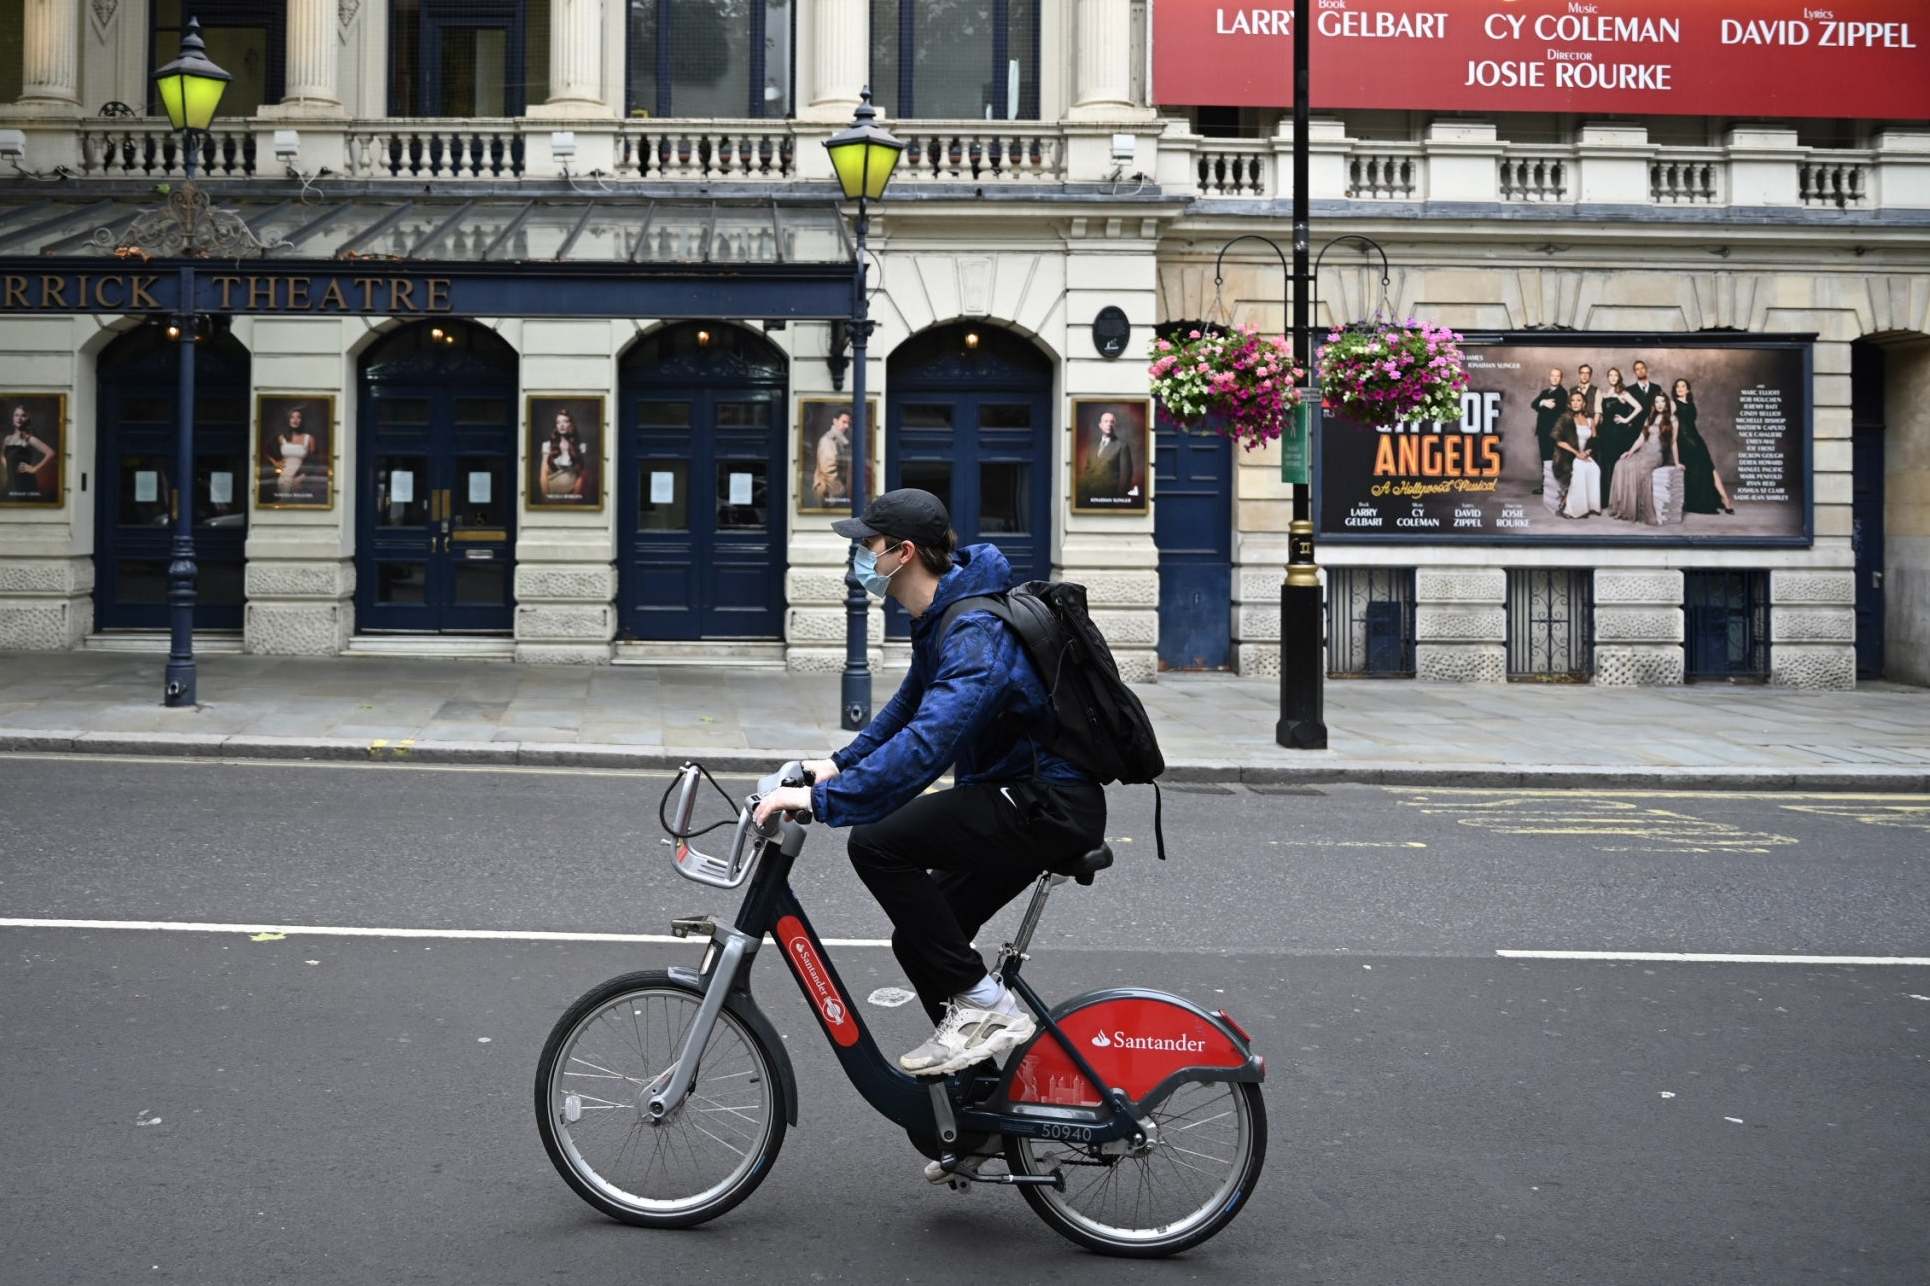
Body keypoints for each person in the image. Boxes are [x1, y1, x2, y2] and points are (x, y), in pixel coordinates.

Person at [751, 489, 1104, 1120]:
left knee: (879, 841)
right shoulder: (943, 616)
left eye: (867, 546)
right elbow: (907, 710)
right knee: (921, 941)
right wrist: (835, 763)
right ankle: (978, 1111)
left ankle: (985, 1006)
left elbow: (928, 744)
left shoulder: (974, 630)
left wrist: (825, 799)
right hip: (1015, 796)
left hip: (1044, 804)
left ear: (902, 552)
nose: (860, 558)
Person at [1609, 391, 1680, 524]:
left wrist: (1677, 462)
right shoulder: (1650, 418)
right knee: (1621, 463)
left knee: (1640, 468)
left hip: (1656, 455)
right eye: (1657, 401)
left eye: (1662, 401)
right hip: (1644, 451)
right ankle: (1624, 508)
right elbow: (1641, 438)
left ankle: (1641, 510)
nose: (1659, 404)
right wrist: (1630, 452)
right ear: (1654, 404)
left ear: (1666, 403)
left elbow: (1673, 442)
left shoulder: (1672, 419)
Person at [1673, 378, 1734, 515]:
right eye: (1677, 386)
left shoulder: (1690, 403)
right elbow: (1664, 415)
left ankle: (1724, 498)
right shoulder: (1673, 404)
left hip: (1696, 439)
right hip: (1684, 441)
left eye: (1683, 386)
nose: (1680, 388)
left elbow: (1690, 424)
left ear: (1687, 389)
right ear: (1675, 389)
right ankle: (1725, 500)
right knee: (1704, 469)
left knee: (1708, 467)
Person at [1595, 367, 1641, 501]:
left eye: (1615, 375)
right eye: (1610, 375)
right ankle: (1606, 497)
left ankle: (1618, 498)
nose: (1613, 378)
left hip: (1617, 433)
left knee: (1616, 463)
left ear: (1619, 377)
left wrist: (1626, 420)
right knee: (1605, 463)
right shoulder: (1605, 393)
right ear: (1608, 378)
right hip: (1604, 432)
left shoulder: (1623, 393)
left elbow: (1639, 407)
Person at [1554, 390, 1602, 519]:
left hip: (1584, 454)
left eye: (1579, 400)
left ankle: (1589, 506)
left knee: (1594, 469)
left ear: (1584, 404)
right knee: (1580, 469)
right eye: (1573, 401)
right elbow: (1559, 441)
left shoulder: (1590, 420)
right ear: (1569, 404)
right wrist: (1577, 453)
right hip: (1567, 455)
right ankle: (1570, 508)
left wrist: (1587, 452)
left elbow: (1594, 440)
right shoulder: (1565, 419)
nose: (1575, 403)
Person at [1080, 410, 1138, 503]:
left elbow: (1126, 475)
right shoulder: (1093, 446)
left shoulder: (1122, 445)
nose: (1109, 424)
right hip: (1090, 496)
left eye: (1112, 422)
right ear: (1100, 425)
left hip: (1110, 496)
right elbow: (1088, 470)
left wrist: (1118, 498)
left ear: (1114, 425)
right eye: (1106, 421)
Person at [2, 403, 55, 502]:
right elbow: (3, 455)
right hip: (11, 482)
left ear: (27, 419)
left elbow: (51, 453)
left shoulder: (30, 439)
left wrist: (34, 469)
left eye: (23, 415)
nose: (19, 418)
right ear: (13, 419)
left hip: (25, 484)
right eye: (16, 415)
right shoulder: (7, 439)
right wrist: (9, 467)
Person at [1530, 368, 1567, 494]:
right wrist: (1543, 401)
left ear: (1561, 378)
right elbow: (1533, 404)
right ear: (1550, 377)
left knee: (1555, 459)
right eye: (1553, 376)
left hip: (1554, 433)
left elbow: (1556, 408)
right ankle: (1545, 486)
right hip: (1542, 432)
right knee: (1544, 459)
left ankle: (1555, 488)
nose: (1555, 378)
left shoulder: (1563, 393)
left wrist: (1543, 405)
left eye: (1558, 376)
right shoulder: (1545, 392)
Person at [538, 408, 587, 501]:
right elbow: (543, 475)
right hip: (551, 496)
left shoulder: (580, 447)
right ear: (556, 426)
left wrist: (573, 499)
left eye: (565, 421)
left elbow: (581, 476)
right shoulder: (547, 446)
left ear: (571, 424)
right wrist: (546, 498)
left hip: (572, 496)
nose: (561, 425)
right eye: (558, 422)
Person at [270, 407, 319, 501]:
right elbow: (267, 451)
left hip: (300, 478)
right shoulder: (282, 437)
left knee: (296, 505)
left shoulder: (309, 438)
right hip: (283, 478)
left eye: (298, 417)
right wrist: (275, 463)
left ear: (302, 420)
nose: (295, 420)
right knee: (283, 504)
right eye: (292, 417)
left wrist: (301, 478)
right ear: (288, 420)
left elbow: (314, 462)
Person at [812, 409, 851, 507]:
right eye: (844, 422)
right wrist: (840, 490)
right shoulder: (828, 440)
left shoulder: (839, 440)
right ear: (835, 421)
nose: (846, 426)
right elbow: (828, 469)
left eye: (848, 423)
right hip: (829, 492)